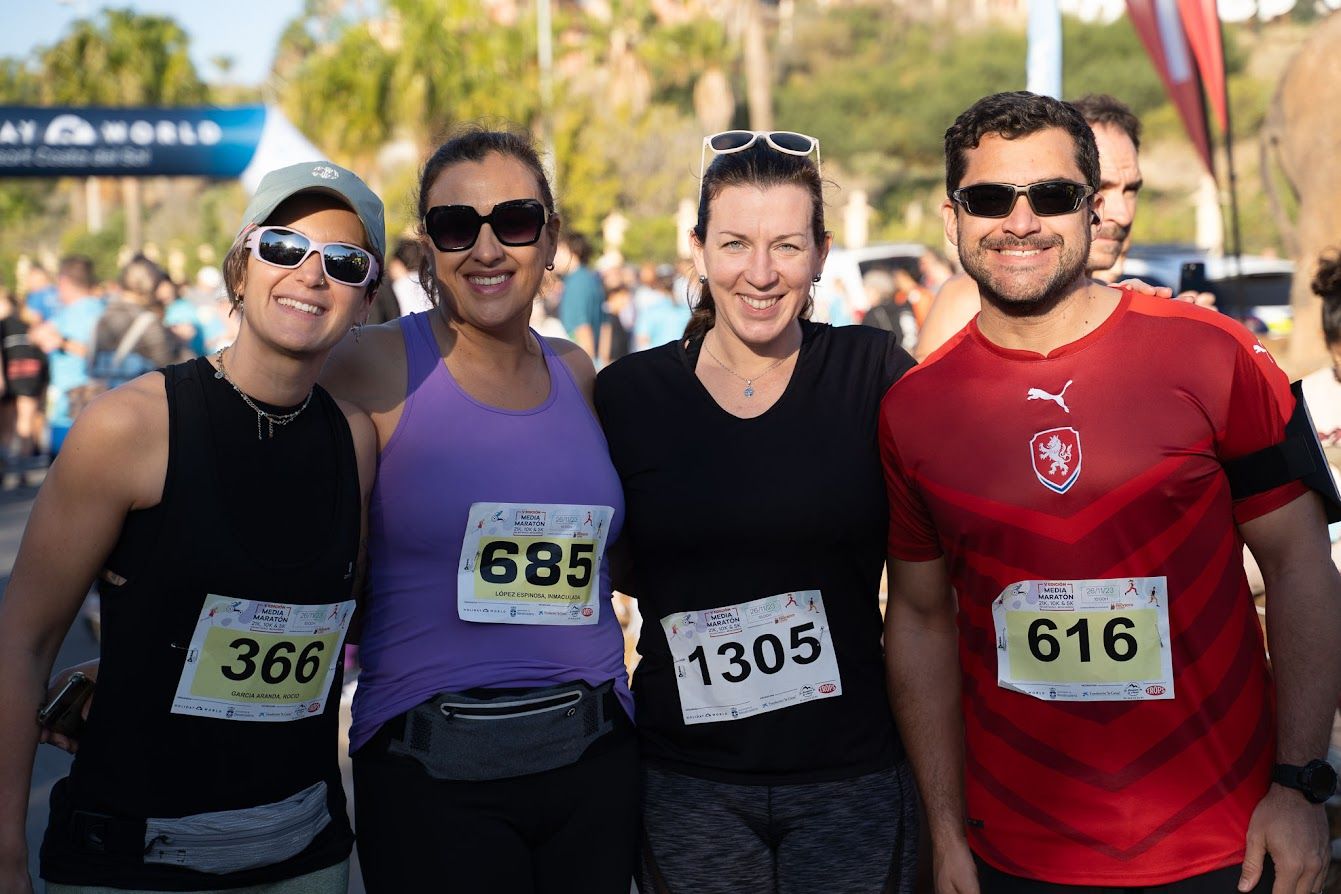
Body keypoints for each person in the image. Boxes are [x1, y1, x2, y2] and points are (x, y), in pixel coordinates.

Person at [879, 90, 1341, 893]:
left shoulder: (1216, 355)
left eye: (1051, 196)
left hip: (1224, 847)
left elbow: (1302, 566)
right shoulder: (912, 409)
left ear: (1091, 211)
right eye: (989, 198)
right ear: (951, 217)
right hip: (1013, 856)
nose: (1018, 221)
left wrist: (1300, 784)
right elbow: (919, 621)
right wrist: (945, 833)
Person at [0, 160, 384, 894]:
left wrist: (148, 662)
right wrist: (4, 855)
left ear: (364, 299)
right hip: (133, 862)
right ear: (240, 267)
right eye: (282, 248)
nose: (310, 274)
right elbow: (23, 640)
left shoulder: (356, 443)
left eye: (342, 261)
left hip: (305, 853)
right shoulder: (130, 427)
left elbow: (319, 624)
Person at [595, 132, 919, 893]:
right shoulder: (627, 396)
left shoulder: (871, 372)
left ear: (821, 253)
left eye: (786, 246)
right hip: (688, 782)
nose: (761, 274)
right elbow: (604, 558)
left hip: (849, 777)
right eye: (736, 243)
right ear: (699, 249)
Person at [320, 127, 637, 893]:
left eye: (515, 221)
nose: (487, 249)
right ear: (428, 246)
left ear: (550, 238)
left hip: (593, 760)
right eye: (456, 226)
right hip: (432, 772)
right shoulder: (370, 364)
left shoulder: (577, 371)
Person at [914, 94, 1204, 362]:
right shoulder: (969, 299)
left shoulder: (1140, 303)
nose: (1123, 214)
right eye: (1056, 194)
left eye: (1131, 190)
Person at [30, 256, 104, 456]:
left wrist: (61, 342)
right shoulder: (75, 310)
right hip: (72, 404)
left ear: (64, 282)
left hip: (78, 404)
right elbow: (36, 334)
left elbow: (95, 352)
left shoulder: (92, 311)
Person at [88, 256, 186, 387]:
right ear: (151, 286)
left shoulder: (102, 317)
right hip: (138, 400)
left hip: (106, 399)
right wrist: (180, 342)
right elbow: (173, 368)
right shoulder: (148, 323)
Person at [555, 232, 605, 357]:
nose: (554, 256)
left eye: (559, 250)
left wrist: (587, 370)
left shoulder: (576, 283)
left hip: (580, 358)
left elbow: (582, 328)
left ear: (573, 252)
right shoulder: (589, 277)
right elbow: (605, 324)